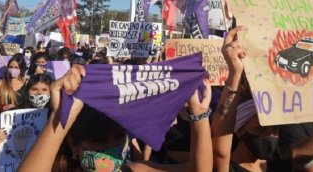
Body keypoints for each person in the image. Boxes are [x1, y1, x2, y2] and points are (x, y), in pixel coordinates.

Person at [212, 26, 313, 172]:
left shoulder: (278, 162)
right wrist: (234, 74)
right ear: (240, 128)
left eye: (275, 128)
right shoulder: (225, 167)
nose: (271, 134)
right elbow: (220, 149)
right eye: (261, 128)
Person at [19, 65, 213, 172]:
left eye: (119, 137)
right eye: (98, 141)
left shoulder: (135, 170)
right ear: (73, 145)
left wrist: (199, 113)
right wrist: (60, 118)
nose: (110, 148)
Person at [0, 73, 53, 167]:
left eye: (44, 89)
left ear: (51, 92)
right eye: (34, 89)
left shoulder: (55, 118)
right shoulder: (12, 116)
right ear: (27, 91)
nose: (39, 93)